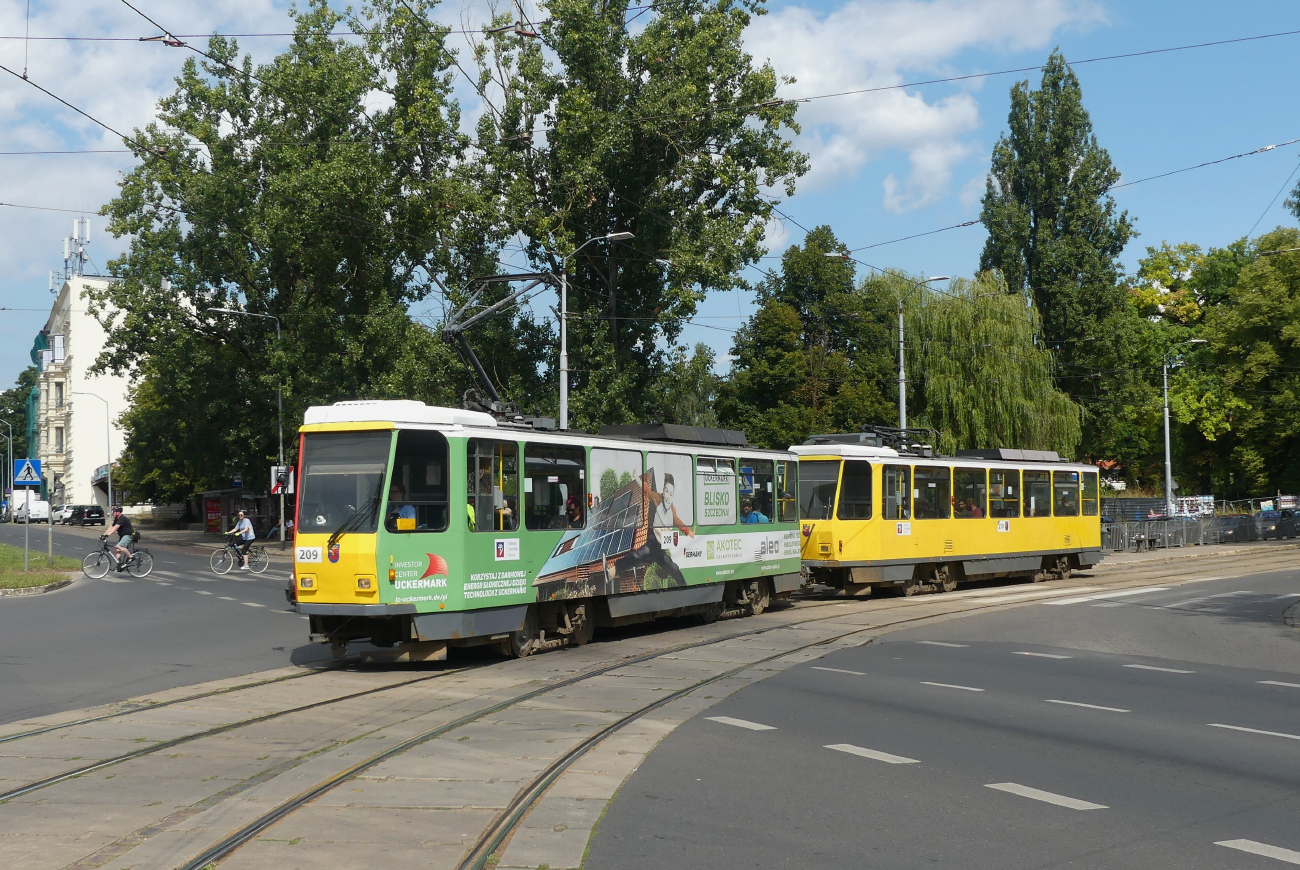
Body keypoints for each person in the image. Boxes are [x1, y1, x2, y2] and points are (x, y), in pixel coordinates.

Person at [102, 505, 134, 571]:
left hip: (128, 535)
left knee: (119, 546)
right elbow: (111, 527)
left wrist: (107, 535)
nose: (112, 513)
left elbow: (115, 528)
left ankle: (131, 557)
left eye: (113, 512)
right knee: (117, 550)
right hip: (122, 536)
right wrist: (103, 535)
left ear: (118, 512)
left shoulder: (122, 518)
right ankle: (120, 565)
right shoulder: (117, 519)